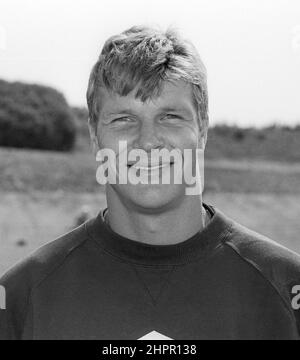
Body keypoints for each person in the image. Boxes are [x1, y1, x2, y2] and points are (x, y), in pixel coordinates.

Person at [1, 25, 300, 340]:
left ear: (202, 131)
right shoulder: (20, 300)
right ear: (93, 136)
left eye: (169, 116)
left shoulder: (286, 287)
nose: (147, 142)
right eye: (123, 119)